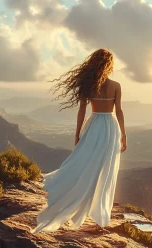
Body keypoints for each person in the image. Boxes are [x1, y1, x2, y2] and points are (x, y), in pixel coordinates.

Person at [32, 48, 127, 234]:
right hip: (110, 127)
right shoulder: (116, 85)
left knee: (86, 164)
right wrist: (124, 134)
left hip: (93, 126)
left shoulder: (87, 86)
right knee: (105, 169)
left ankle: (71, 197)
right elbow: (119, 111)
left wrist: (77, 134)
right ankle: (101, 216)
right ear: (109, 65)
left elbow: (82, 111)